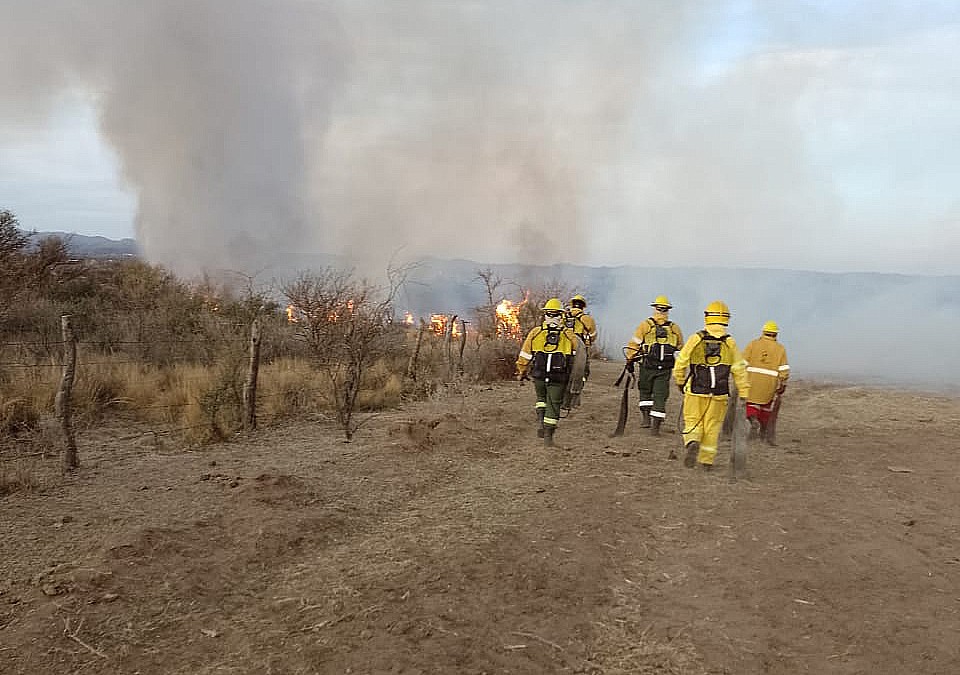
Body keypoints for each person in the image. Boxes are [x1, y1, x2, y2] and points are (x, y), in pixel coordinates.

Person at [672, 301, 750, 470]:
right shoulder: (730, 343)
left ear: (707, 316)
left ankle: (692, 442)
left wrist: (679, 381)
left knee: (692, 421)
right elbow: (739, 369)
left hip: (695, 391)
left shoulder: (696, 338)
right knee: (713, 427)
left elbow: (681, 362)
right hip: (719, 394)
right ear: (726, 318)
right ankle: (706, 462)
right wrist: (743, 392)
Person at [516, 298, 580, 447]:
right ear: (562, 316)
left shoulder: (536, 332)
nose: (552, 318)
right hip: (558, 378)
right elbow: (579, 357)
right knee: (554, 404)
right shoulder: (569, 335)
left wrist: (521, 371)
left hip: (538, 376)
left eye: (553, 315)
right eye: (552, 315)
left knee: (541, 399)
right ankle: (548, 437)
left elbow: (524, 355)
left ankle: (540, 422)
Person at [624, 295, 684, 436]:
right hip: (665, 369)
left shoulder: (645, 325)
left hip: (647, 366)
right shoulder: (674, 328)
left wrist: (629, 360)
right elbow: (681, 346)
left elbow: (634, 344)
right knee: (660, 395)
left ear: (654, 308)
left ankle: (646, 420)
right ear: (668, 310)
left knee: (645, 391)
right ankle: (655, 429)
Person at [743, 320, 790, 444]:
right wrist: (783, 383)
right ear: (776, 334)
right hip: (770, 384)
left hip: (752, 381)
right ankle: (763, 431)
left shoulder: (753, 344)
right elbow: (784, 368)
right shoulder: (780, 349)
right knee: (765, 407)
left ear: (763, 332)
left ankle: (753, 421)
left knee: (751, 404)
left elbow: (742, 363)